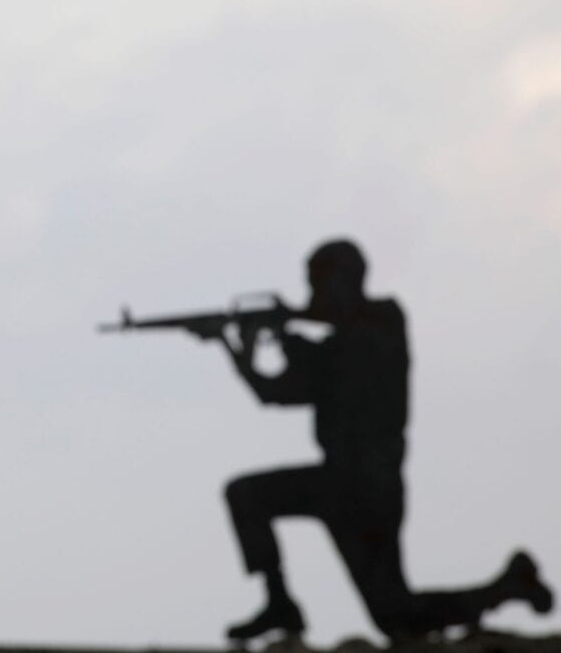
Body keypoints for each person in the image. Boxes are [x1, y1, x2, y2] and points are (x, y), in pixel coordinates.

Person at [218, 239, 552, 644]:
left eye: (318, 287)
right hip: (344, 486)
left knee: (249, 497)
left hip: (366, 487)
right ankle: (506, 587)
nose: (313, 298)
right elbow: (277, 393)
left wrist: (286, 338)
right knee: (395, 614)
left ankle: (280, 605)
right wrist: (238, 351)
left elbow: (335, 366)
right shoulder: (343, 339)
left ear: (344, 283)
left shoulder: (381, 325)